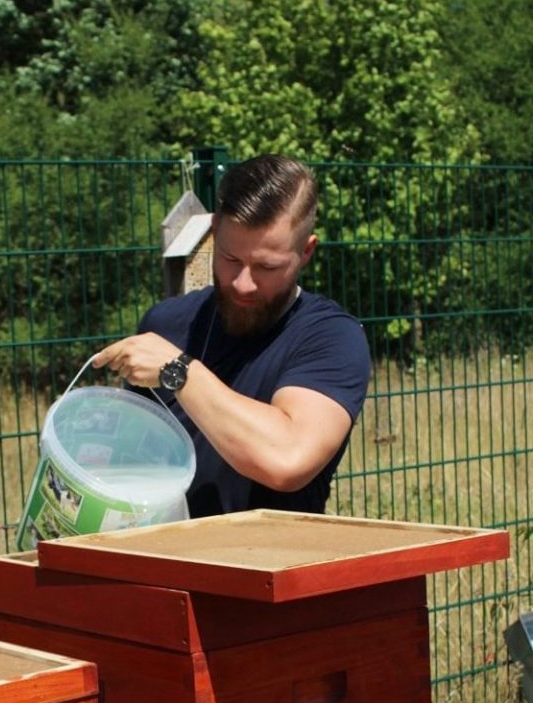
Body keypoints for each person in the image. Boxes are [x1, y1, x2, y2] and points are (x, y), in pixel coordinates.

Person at [91, 153, 371, 517]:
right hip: (159, 561)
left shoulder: (330, 339)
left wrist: (180, 372)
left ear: (306, 252)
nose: (243, 283)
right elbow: (129, 464)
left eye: (267, 267)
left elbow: (286, 458)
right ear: (215, 230)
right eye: (230, 258)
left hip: (267, 565)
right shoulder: (166, 325)